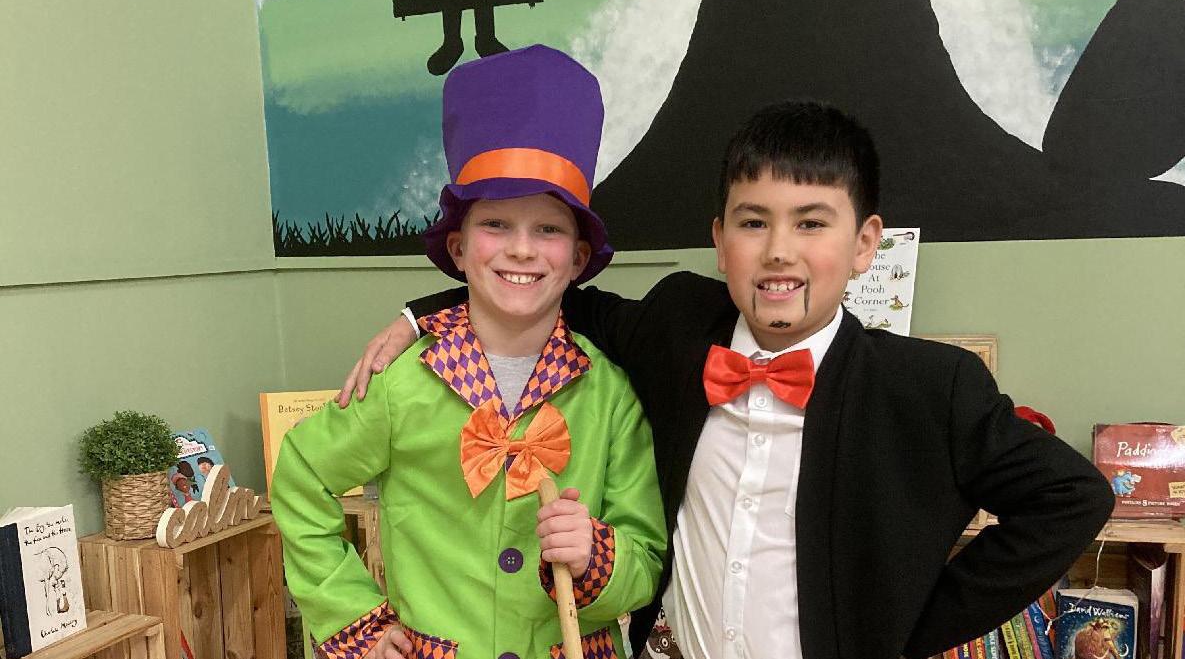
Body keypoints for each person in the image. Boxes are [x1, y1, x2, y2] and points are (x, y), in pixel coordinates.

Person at [340, 100, 1115, 659]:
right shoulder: (678, 324)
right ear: (720, 241)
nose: (778, 250)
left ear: (863, 244)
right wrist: (422, 313)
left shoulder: (926, 388)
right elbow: (545, 285)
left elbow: (1074, 496)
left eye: (810, 222)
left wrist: (913, 623)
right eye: (753, 221)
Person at [273, 45, 666, 659]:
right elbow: (302, 477)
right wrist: (356, 621)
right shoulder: (402, 383)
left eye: (548, 229)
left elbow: (646, 561)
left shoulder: (610, 397)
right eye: (496, 225)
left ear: (578, 258)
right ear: (458, 249)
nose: (522, 249)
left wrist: (597, 556)